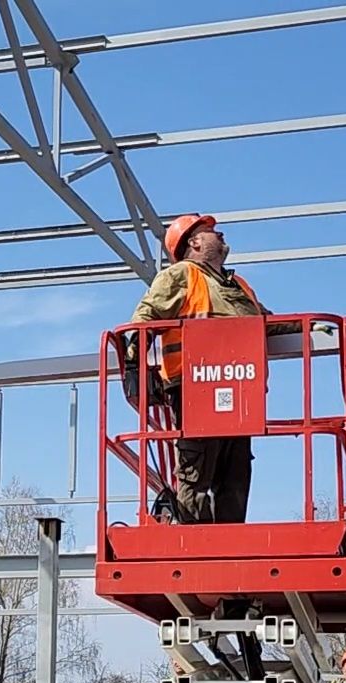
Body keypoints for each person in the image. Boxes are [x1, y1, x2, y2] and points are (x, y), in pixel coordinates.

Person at [129, 213, 278, 525]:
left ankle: (230, 543)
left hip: (239, 387)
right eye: (211, 232)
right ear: (194, 243)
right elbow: (146, 317)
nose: (219, 234)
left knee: (236, 474)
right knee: (196, 472)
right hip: (193, 387)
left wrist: (314, 327)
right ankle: (195, 542)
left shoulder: (239, 285)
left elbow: (267, 323)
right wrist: (134, 364)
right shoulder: (182, 274)